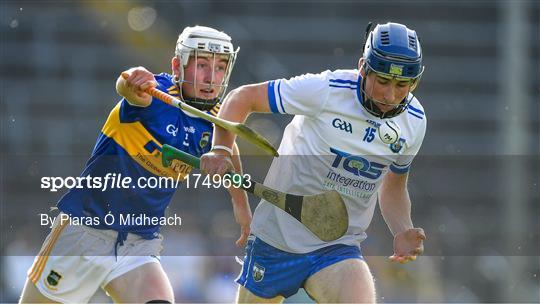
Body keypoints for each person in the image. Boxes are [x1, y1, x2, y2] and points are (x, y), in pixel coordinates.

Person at [20, 25, 252, 303]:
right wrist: (132, 79)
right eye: (202, 64)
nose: (210, 77)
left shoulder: (215, 118)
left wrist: (241, 207)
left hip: (138, 245)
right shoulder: (152, 95)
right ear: (178, 65)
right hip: (83, 234)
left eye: (219, 67)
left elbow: (227, 147)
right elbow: (128, 88)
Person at [201, 22, 427, 303]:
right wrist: (221, 149)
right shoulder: (326, 90)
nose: (390, 96)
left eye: (402, 85)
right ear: (363, 68)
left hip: (338, 246)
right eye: (382, 81)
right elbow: (242, 97)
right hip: (275, 239)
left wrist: (402, 229)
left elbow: (392, 187)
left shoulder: (414, 122)